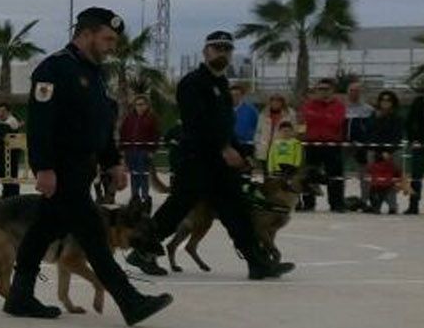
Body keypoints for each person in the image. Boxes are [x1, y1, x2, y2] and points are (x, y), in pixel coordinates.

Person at [1, 8, 172, 325]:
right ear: (87, 34)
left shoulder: (95, 75)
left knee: (42, 231)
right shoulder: (55, 69)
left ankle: (20, 295)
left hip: (82, 170)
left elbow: (101, 125)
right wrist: (44, 167)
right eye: (107, 38)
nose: (111, 46)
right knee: (94, 234)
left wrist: (113, 162)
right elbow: (41, 123)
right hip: (62, 169)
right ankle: (130, 301)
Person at [129, 30, 292, 280]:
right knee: (177, 208)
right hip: (195, 159)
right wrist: (224, 149)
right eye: (217, 48)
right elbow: (196, 124)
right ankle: (141, 250)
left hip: (220, 164)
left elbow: (226, 126)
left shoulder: (222, 85)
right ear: (206, 51)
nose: (222, 52)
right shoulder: (192, 83)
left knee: (236, 210)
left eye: (227, 49)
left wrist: (242, 152)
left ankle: (257, 262)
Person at [299, 78, 348, 210]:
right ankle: (309, 203)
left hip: (332, 144)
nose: (323, 92)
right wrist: (325, 116)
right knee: (309, 175)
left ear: (332, 90)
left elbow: (336, 122)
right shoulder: (309, 105)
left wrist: (319, 117)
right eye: (320, 89)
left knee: (335, 175)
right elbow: (306, 119)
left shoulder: (339, 106)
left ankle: (336, 203)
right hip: (312, 144)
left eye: (326, 89)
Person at [407, 86, 424, 215]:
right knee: (416, 176)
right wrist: (413, 140)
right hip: (421, 144)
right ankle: (413, 205)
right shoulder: (419, 101)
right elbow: (410, 122)